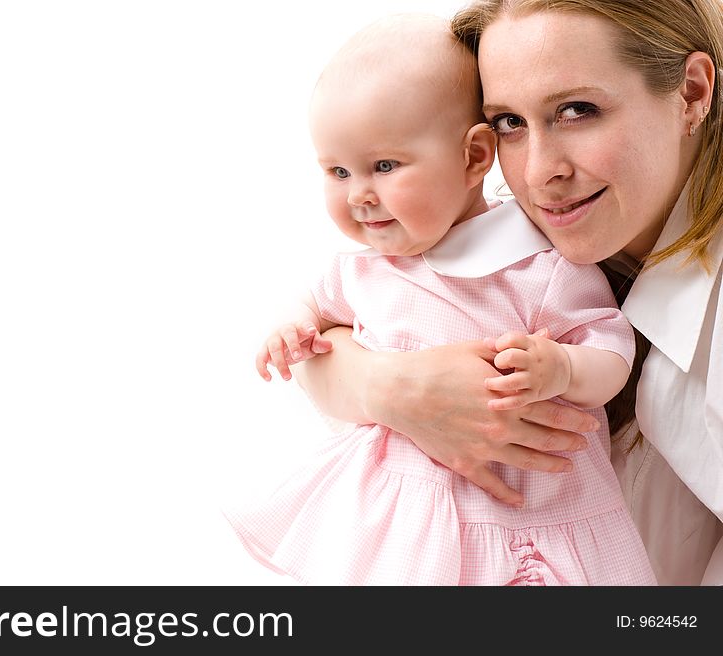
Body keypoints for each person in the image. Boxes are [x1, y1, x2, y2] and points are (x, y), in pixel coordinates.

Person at [295, 0, 723, 586]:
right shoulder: (513, 248)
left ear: (692, 93)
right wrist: (392, 388)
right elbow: (328, 336)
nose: (538, 170)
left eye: (578, 110)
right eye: (509, 124)